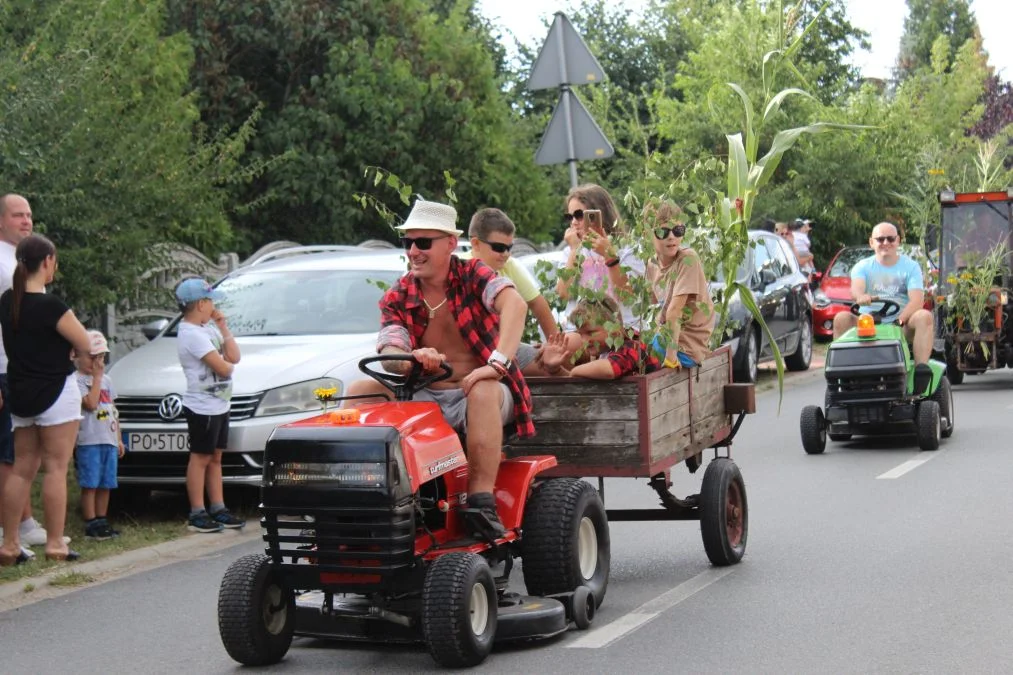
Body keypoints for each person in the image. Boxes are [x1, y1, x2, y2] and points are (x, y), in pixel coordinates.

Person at [344, 198, 531, 541]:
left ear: (448, 244)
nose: (414, 251)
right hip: (423, 396)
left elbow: (515, 305)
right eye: (408, 242)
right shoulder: (397, 295)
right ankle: (360, 496)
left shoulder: (474, 275)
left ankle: (480, 502)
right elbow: (390, 351)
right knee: (360, 391)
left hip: (477, 391)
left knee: (483, 389)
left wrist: (497, 364)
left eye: (423, 242)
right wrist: (410, 356)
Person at [0, 234, 93, 565]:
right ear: (48, 261)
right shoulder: (51, 305)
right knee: (56, 467)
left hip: (21, 393)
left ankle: (10, 544)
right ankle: (55, 544)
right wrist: (71, 351)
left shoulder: (8, 300)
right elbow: (86, 342)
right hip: (55, 391)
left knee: (21, 469)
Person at [0, 194, 53, 558]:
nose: (26, 220)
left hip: (23, 369)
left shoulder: (21, 261)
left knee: (23, 452)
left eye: (29, 215)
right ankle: (9, 532)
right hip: (4, 368)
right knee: (7, 456)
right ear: (1, 220)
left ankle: (24, 522)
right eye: (18, 215)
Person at [174, 277, 245, 534]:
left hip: (219, 404)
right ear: (201, 304)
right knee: (200, 457)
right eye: (211, 301)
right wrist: (228, 364)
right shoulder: (190, 333)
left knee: (216, 457)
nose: (215, 305)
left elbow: (234, 356)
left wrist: (223, 326)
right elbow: (224, 368)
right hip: (201, 406)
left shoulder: (208, 328)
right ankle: (197, 511)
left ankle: (218, 507)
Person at [832, 222, 934, 390]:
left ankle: (920, 371)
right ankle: (841, 373)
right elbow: (856, 289)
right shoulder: (862, 267)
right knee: (841, 318)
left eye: (890, 239)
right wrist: (861, 296)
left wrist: (900, 321)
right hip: (869, 323)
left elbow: (916, 300)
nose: (885, 243)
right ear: (872, 242)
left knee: (924, 316)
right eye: (880, 239)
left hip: (901, 323)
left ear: (898, 241)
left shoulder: (910, 267)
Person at [459, 208, 559, 370]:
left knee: (555, 368)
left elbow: (538, 305)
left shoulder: (509, 265)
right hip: (466, 352)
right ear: (475, 243)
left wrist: (555, 346)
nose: (505, 254)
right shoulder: (458, 267)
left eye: (509, 247)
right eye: (498, 247)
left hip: (502, 347)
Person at [556, 183, 646, 330]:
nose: (573, 222)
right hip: (582, 332)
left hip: (623, 330)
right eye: (569, 216)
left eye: (579, 215)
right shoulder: (571, 251)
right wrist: (574, 252)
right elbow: (563, 294)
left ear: (598, 214)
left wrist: (609, 256)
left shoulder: (628, 248)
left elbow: (627, 296)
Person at [644, 200, 715, 368]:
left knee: (644, 352)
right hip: (665, 339)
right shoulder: (651, 264)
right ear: (648, 233)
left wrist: (670, 358)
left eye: (678, 231)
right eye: (663, 231)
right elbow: (654, 309)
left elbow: (674, 311)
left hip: (685, 349)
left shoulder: (687, 259)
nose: (671, 237)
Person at [75, 330, 124, 541]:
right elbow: (91, 404)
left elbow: (112, 410)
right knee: (91, 483)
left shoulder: (108, 381)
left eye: (101, 358)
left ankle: (102, 519)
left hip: (108, 439)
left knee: (106, 483)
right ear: (77, 356)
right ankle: (91, 521)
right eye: (93, 358)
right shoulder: (77, 381)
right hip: (89, 440)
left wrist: (119, 438)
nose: (98, 363)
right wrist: (96, 378)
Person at [539, 297, 661, 379]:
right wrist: (554, 369)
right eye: (580, 334)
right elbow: (576, 383)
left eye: (591, 332)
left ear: (614, 328)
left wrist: (574, 371)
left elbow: (609, 369)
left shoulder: (633, 346)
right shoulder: (603, 350)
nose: (585, 340)